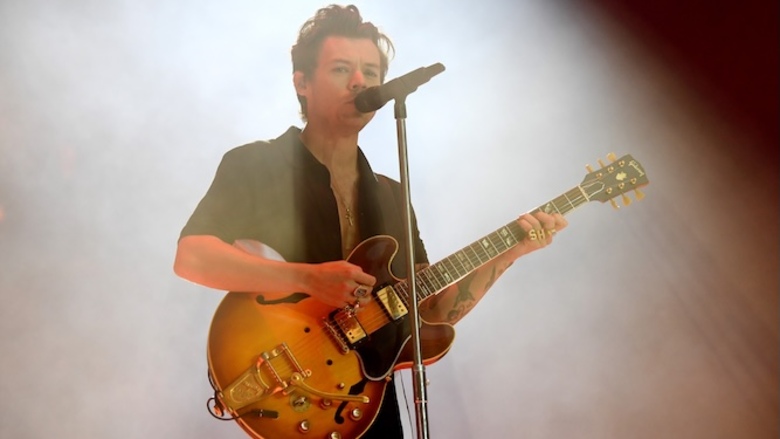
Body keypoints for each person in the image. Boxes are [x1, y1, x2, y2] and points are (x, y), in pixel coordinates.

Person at [174, 4, 567, 438]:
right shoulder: (256, 163)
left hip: (364, 406)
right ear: (302, 83)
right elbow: (192, 257)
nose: (360, 82)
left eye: (371, 72)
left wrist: (510, 251)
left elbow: (431, 310)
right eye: (342, 69)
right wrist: (307, 279)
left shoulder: (391, 194)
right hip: (284, 386)